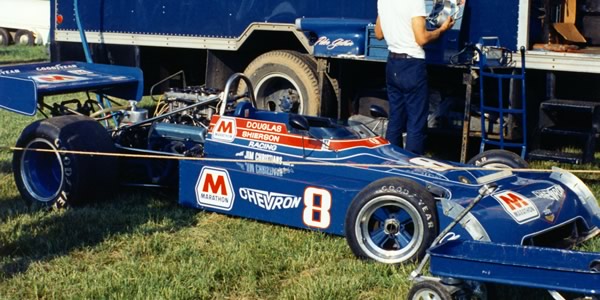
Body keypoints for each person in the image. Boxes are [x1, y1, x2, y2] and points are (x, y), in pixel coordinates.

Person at [375, 1, 454, 154]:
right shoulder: (415, 2)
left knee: (395, 119)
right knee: (416, 122)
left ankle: (391, 160)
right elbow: (422, 39)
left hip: (392, 63)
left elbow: (379, 33)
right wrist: (442, 29)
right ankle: (411, 166)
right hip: (412, 64)